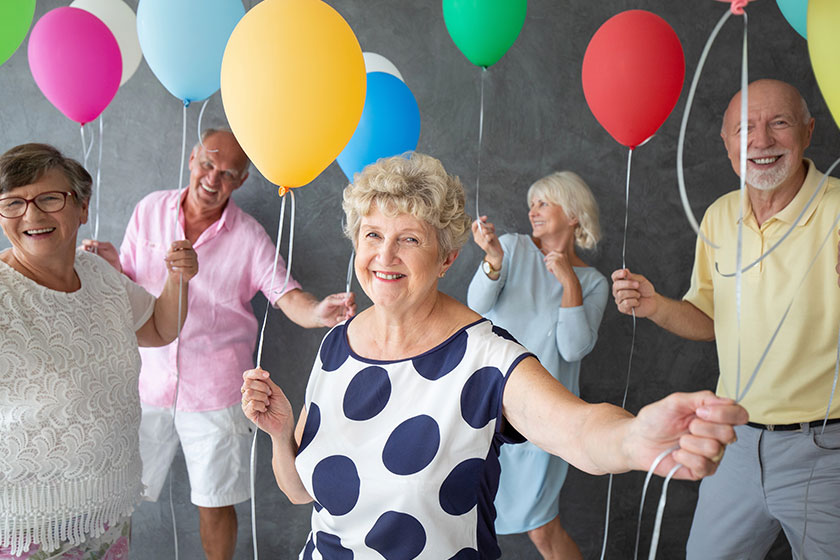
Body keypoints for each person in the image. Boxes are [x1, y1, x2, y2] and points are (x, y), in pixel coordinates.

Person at [240, 152, 747, 559]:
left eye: (409, 239)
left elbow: (577, 429)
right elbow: (300, 492)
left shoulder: (486, 359)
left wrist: (634, 438)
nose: (385, 256)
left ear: (447, 258)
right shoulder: (336, 345)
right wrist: (281, 435)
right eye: (372, 235)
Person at [82, 129, 355, 560]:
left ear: (241, 181)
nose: (213, 179)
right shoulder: (149, 209)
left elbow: (287, 296)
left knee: (215, 502)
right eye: (208, 165)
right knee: (117, 495)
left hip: (215, 392)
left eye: (227, 173)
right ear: (192, 160)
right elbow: (131, 284)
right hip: (145, 381)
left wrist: (319, 311)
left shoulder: (248, 236)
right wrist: (113, 265)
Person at [612, 79, 840, 559]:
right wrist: (655, 305)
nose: (762, 140)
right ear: (727, 143)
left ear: (808, 131)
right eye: (745, 128)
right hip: (733, 440)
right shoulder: (719, 216)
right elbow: (709, 320)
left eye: (779, 123)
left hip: (826, 451)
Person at [0, 143, 197, 559]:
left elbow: (159, 328)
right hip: (27, 530)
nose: (31, 215)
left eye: (49, 198)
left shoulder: (99, 274)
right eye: (13, 203)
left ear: (82, 208)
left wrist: (178, 279)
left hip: (108, 510)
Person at [467, 171, 608, 559]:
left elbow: (573, 348)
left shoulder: (593, 282)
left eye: (544, 203)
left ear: (574, 214)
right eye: (532, 204)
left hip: (547, 417)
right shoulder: (511, 248)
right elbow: (476, 305)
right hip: (487, 409)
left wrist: (569, 283)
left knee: (542, 529)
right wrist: (493, 259)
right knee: (464, 517)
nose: (533, 211)